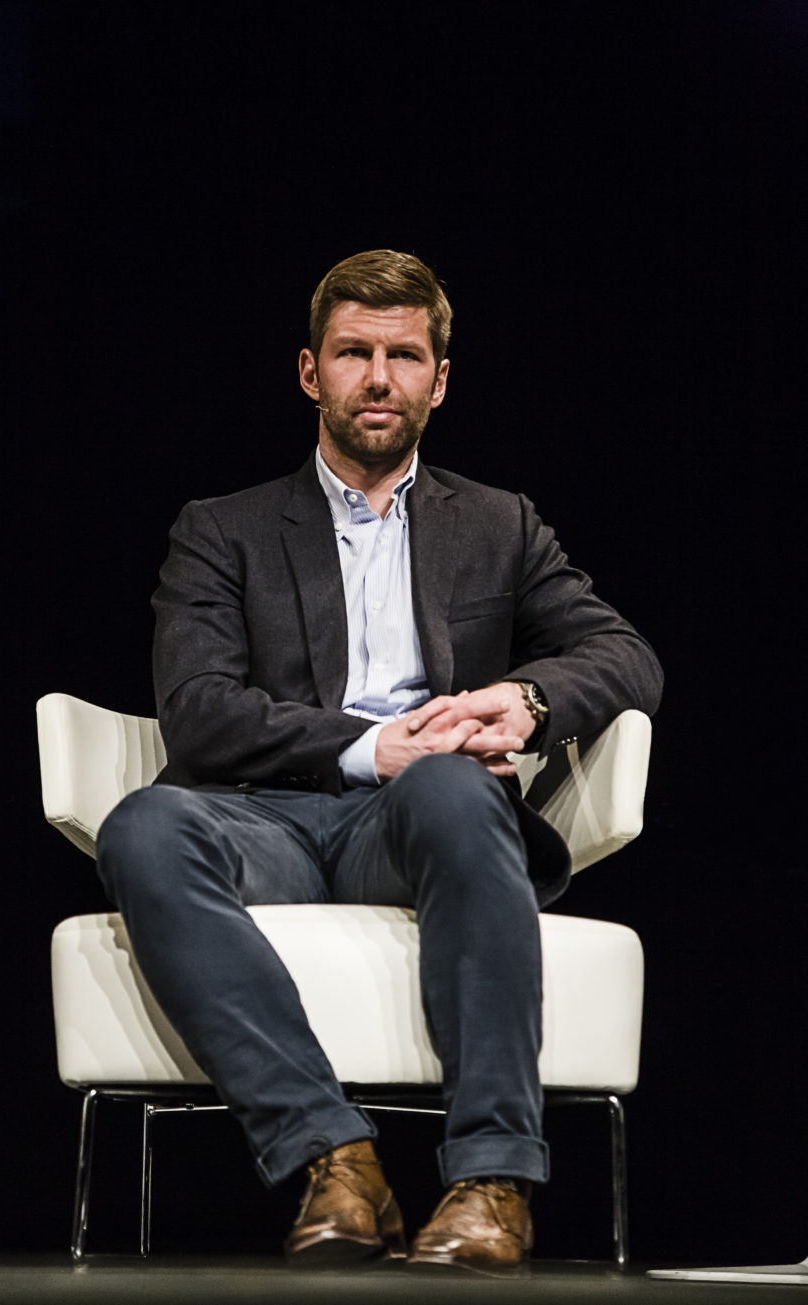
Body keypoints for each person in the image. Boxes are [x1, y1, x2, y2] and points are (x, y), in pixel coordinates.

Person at [97, 249, 662, 1277]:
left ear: (438, 381)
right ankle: (334, 1157)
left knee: (450, 784)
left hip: (410, 826)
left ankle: (493, 1181)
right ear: (311, 372)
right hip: (258, 817)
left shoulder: (500, 524)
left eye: (404, 356)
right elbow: (200, 713)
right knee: (142, 823)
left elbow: (626, 656)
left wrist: (526, 701)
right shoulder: (221, 530)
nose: (378, 377)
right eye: (354, 352)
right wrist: (369, 745)